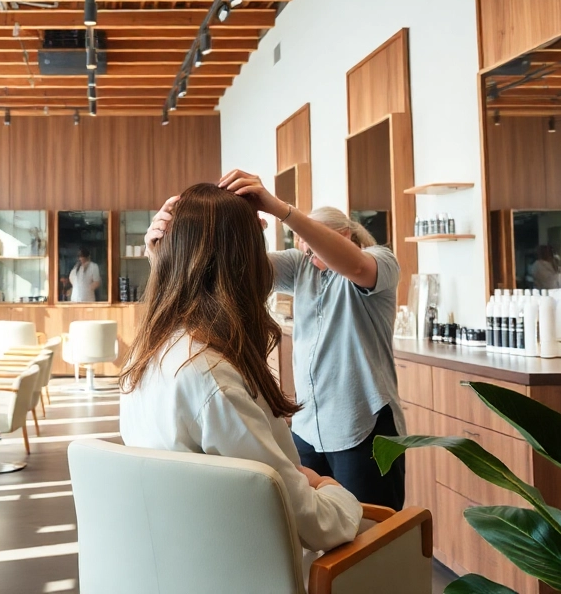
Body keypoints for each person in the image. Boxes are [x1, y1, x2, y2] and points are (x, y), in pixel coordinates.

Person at [121, 183, 362, 553]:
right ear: (247, 264)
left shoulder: (146, 357)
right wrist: (331, 489)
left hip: (179, 556)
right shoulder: (212, 378)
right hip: (241, 564)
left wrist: (167, 258)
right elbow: (312, 524)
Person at [146, 171, 406, 510]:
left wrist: (281, 209)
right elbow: (226, 269)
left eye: (311, 238)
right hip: (308, 427)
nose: (305, 249)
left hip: (364, 425)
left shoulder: (381, 262)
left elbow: (356, 267)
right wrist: (164, 250)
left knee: (371, 523)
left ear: (344, 235)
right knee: (314, 520)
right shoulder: (302, 267)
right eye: (301, 243)